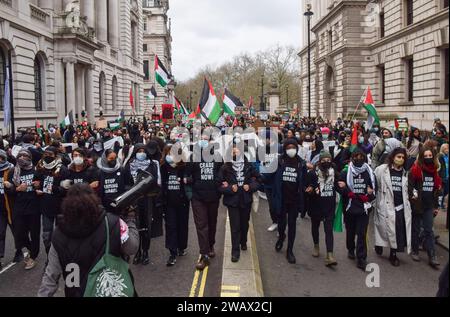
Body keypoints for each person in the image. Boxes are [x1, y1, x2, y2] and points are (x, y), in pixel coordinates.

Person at [38, 184, 139, 297]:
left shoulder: (59, 234)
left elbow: (50, 276)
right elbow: (132, 247)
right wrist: (130, 219)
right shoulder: (112, 222)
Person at [217, 141, 261, 263]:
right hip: (232, 201)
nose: (234, 151)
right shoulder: (225, 167)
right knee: (234, 226)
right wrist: (229, 188)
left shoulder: (249, 165)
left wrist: (250, 186)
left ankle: (243, 241)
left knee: (244, 223)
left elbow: (259, 180)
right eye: (232, 150)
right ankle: (235, 251)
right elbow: (219, 185)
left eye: (237, 149)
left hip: (246, 200)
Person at [184, 134, 222, 270]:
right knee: (201, 225)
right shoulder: (193, 158)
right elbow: (186, 176)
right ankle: (204, 254)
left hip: (213, 197)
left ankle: (210, 245)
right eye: (202, 139)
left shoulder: (217, 157)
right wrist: (190, 195)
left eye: (206, 140)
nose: (204, 142)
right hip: (198, 198)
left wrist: (217, 190)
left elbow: (221, 174)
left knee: (212, 223)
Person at [267, 138, 307, 264]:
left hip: (294, 200)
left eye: (293, 147)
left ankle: (290, 250)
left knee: (292, 225)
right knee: (282, 223)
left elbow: (305, 181)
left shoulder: (301, 163)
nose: (291, 150)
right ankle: (281, 237)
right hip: (281, 198)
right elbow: (268, 175)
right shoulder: (279, 160)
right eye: (288, 147)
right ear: (284, 149)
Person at [338, 149, 376, 271]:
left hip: (364, 208)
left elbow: (375, 189)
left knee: (361, 233)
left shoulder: (369, 172)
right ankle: (350, 248)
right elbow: (339, 187)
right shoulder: (345, 172)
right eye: (356, 157)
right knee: (350, 231)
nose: (359, 159)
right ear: (352, 158)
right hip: (350, 207)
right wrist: (348, 192)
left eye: (361, 157)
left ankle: (361, 258)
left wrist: (369, 195)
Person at [373, 148, 411, 267]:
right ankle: (379, 244)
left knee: (397, 230)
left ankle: (393, 254)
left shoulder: (405, 173)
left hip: (400, 206)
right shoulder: (381, 170)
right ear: (393, 157)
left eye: (402, 158)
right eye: (398, 157)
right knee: (383, 228)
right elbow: (373, 182)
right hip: (385, 204)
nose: (400, 159)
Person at [124, 144, 161, 266]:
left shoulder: (152, 164)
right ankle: (137, 252)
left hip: (148, 199)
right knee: (136, 226)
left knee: (147, 226)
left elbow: (156, 181)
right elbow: (125, 183)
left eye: (143, 151)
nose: (141, 153)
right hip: (134, 200)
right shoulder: (129, 165)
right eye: (139, 151)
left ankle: (145, 251)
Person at [409, 147, 442, 268]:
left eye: (430, 156)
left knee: (429, 231)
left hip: (429, 206)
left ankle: (432, 255)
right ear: (422, 157)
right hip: (418, 205)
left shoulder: (434, 172)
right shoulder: (415, 170)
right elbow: (410, 187)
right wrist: (413, 199)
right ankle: (415, 250)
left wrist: (436, 206)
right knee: (416, 229)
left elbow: (438, 189)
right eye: (426, 156)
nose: (428, 158)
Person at [33, 147, 69, 256]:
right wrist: (36, 187)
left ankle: (61, 256)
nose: (47, 156)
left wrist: (50, 187)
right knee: (46, 236)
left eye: (50, 154)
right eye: (46, 154)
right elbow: (36, 181)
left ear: (56, 155)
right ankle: (50, 256)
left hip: (60, 208)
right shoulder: (41, 167)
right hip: (46, 207)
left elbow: (65, 190)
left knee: (60, 235)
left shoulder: (63, 169)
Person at [305, 151, 338, 267]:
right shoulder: (312, 173)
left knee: (328, 230)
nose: (326, 162)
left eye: (329, 160)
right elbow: (308, 186)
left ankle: (330, 255)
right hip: (316, 205)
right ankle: (316, 245)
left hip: (329, 206)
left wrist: (343, 187)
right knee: (315, 226)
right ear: (319, 161)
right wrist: (310, 190)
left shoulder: (334, 172)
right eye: (324, 160)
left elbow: (338, 185)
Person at [160, 145, 190, 267]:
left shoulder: (183, 167)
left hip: (182, 202)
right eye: (168, 153)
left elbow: (189, 180)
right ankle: (172, 252)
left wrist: (186, 180)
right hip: (169, 203)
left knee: (182, 225)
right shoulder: (163, 167)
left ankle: (181, 247)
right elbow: (161, 185)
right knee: (171, 226)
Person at [11, 149, 40, 270]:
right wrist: (16, 189)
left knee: (34, 233)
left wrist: (37, 185)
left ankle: (33, 257)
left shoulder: (36, 169)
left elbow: (42, 183)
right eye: (20, 156)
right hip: (19, 207)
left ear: (30, 157)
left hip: (34, 206)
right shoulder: (14, 171)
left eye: (25, 156)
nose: (22, 158)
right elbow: (8, 190)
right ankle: (30, 248)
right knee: (19, 233)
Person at [0, 150, 22, 269]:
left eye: (1, 158)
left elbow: (18, 187)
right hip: (0, 209)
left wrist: (11, 187)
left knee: (16, 231)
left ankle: (19, 250)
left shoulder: (12, 170)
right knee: (0, 232)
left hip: (11, 207)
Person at [97, 149, 130, 214]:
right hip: (105, 205)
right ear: (105, 159)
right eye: (111, 158)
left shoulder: (121, 170)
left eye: (115, 158)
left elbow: (128, 184)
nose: (113, 160)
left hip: (120, 204)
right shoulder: (100, 172)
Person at [438, 143, 449, 210]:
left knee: (446, 191)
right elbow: (439, 168)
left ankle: (441, 203)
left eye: (448, 148)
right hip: (442, 177)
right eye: (445, 149)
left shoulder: (448, 156)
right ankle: (440, 204)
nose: (447, 150)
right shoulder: (440, 156)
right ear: (442, 149)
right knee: (442, 191)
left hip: (447, 176)